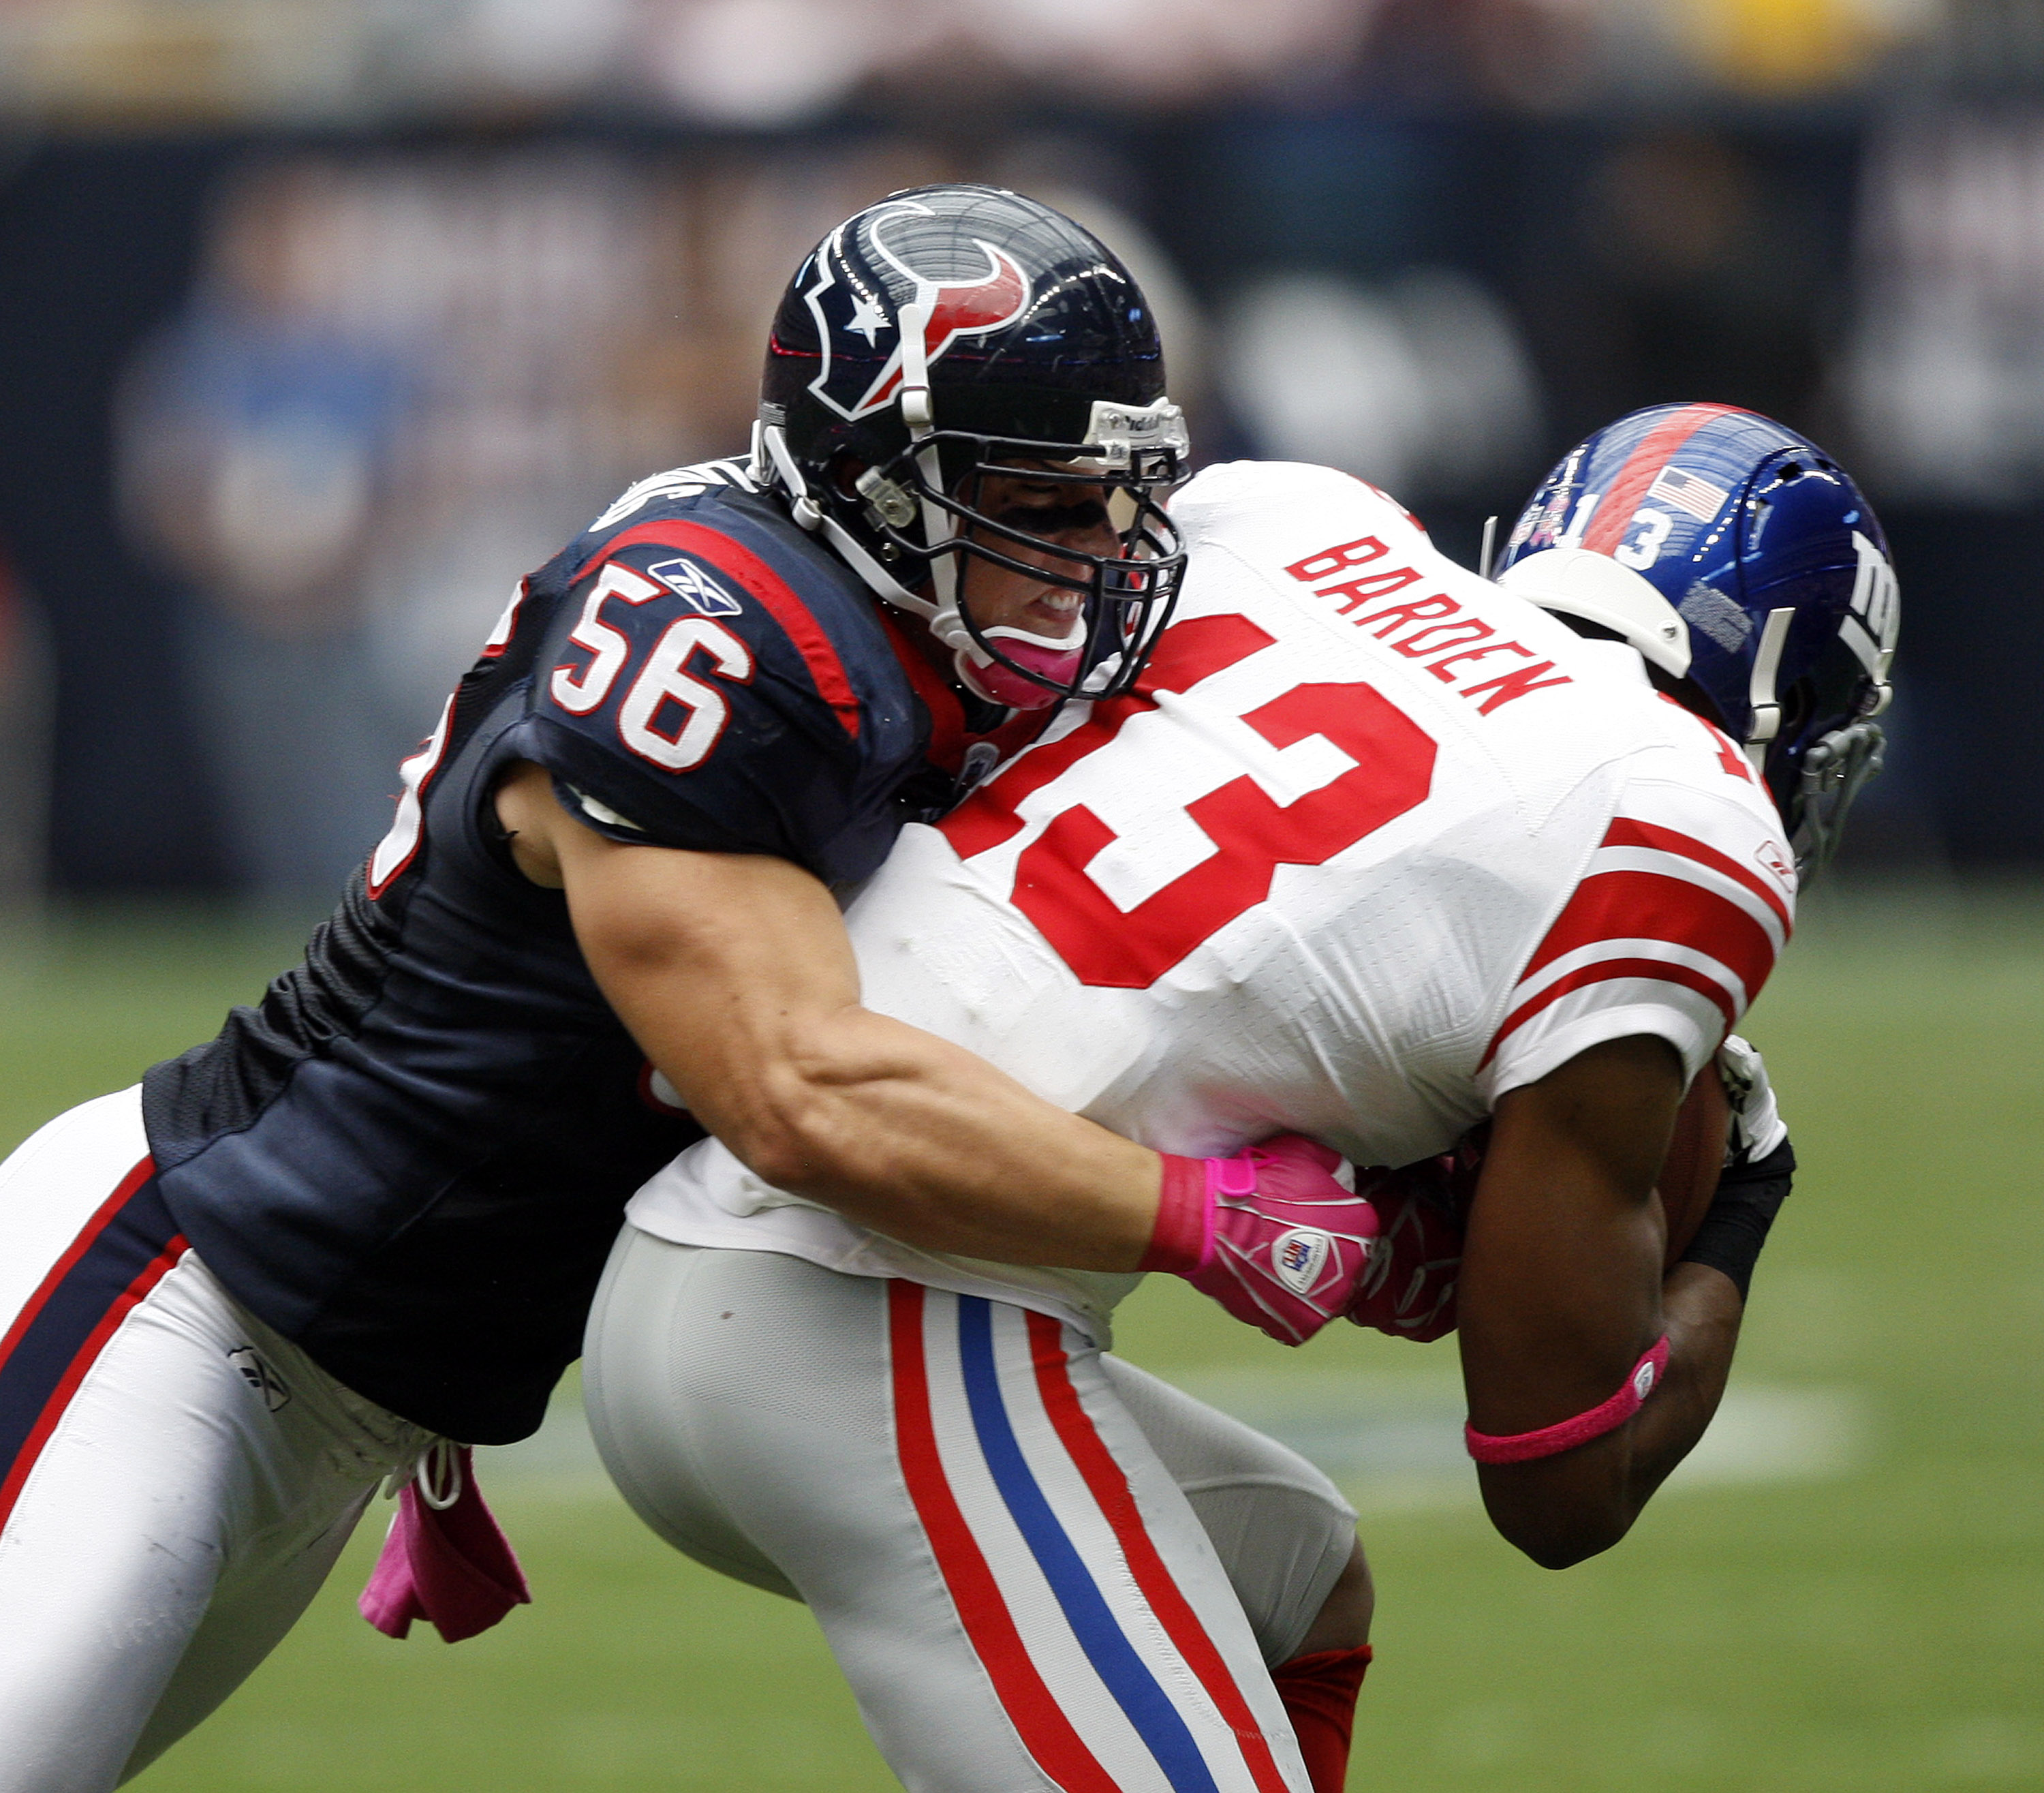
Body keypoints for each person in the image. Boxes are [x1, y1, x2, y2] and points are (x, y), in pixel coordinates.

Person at [0, 187, 1386, 1791]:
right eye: (1039, 502)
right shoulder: (717, 628)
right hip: (178, 1296)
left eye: (1116, 498)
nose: (1093, 555)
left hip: (340, 1383)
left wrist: (435, 1407)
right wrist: (1198, 1215)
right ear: (871, 476)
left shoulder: (895, 639)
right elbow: (794, 1088)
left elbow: (550, 1065)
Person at [581, 408, 1898, 1793]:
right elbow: (1559, 1475)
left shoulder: (1295, 519)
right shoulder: (1685, 817)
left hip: (675, 1263)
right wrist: (1744, 1199)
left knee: (1295, 1582)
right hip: (866, 1310)